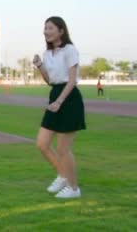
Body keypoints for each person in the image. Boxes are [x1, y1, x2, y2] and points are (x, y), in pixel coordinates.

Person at [33, 16, 86, 199]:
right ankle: (63, 176)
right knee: (42, 144)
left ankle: (73, 188)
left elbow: (71, 80)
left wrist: (60, 101)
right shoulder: (48, 54)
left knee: (63, 149)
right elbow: (50, 80)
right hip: (55, 94)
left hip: (69, 99)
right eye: (45, 28)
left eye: (50, 28)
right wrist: (40, 65)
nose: (46, 31)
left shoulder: (69, 50)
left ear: (61, 31)